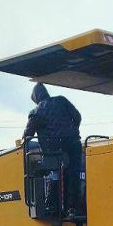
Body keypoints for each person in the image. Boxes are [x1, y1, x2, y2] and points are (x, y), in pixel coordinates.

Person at [22, 82, 83, 217]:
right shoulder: (61, 100)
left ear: (36, 98)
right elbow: (77, 116)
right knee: (73, 175)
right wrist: (72, 131)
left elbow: (27, 135)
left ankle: (52, 206)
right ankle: (72, 208)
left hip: (54, 151)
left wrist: (23, 143)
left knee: (55, 175)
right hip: (74, 144)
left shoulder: (36, 112)